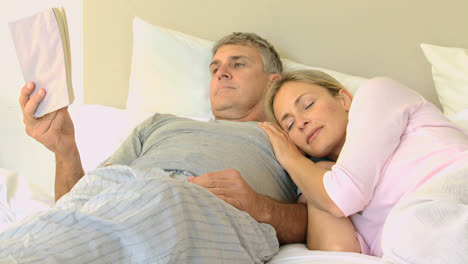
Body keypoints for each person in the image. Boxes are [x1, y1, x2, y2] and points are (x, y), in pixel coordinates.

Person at [0, 33, 307, 263]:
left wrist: (260, 206)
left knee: (161, 198)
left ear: (273, 82)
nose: (221, 73)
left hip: (197, 209)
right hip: (132, 195)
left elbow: (325, 216)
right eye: (215, 69)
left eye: (237, 64)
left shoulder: (293, 135)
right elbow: (79, 204)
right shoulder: (159, 124)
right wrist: (66, 152)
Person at [259, 69, 468, 263]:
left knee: (409, 226)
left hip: (456, 190)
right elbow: (335, 254)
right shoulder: (328, 184)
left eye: (308, 105)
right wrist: (314, 175)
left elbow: (343, 194)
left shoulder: (378, 93)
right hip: (415, 248)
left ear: (344, 99)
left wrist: (290, 158)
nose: (301, 122)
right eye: (290, 125)